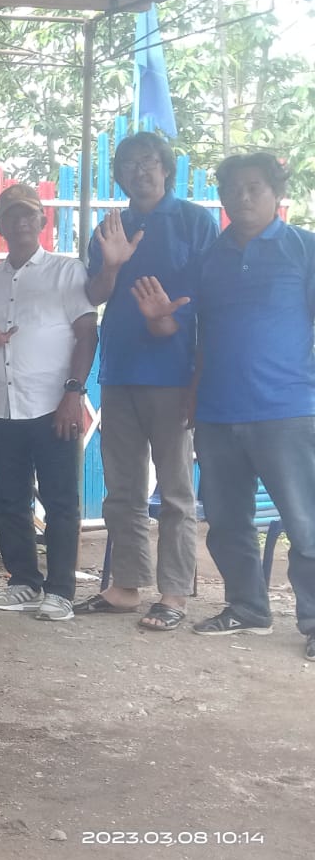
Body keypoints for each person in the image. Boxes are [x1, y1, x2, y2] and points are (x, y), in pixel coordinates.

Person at [134, 154, 315, 658]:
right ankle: (248, 608)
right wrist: (156, 318)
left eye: (254, 187)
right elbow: (181, 326)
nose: (243, 197)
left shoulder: (304, 249)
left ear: (276, 193)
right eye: (233, 189)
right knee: (228, 520)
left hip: (286, 409)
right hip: (216, 412)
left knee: (305, 522)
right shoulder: (210, 258)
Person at [78, 132, 218, 631]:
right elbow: (94, 294)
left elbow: (211, 298)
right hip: (119, 371)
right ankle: (125, 587)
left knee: (176, 491)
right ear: (119, 175)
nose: (140, 171)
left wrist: (168, 323)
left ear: (166, 169)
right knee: (122, 488)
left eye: (149, 162)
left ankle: (174, 592)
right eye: (130, 164)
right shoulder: (111, 227)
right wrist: (113, 264)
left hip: (174, 374)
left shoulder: (194, 222)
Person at [0, 185, 98, 622]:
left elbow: (87, 334)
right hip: (3, 407)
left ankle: (60, 591)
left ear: (43, 221)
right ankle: (23, 581)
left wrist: (73, 393)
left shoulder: (66, 271)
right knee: (10, 499)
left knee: (60, 501)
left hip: (53, 406)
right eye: (12, 215)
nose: (21, 222)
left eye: (29, 214)